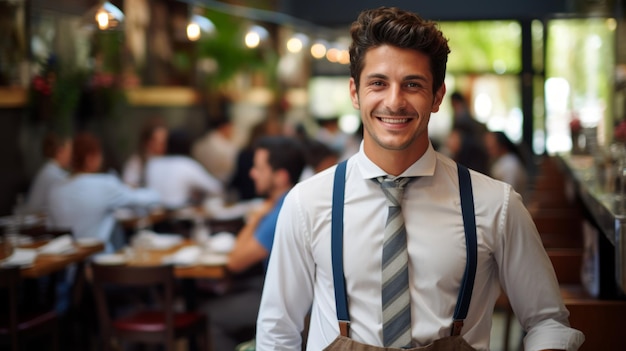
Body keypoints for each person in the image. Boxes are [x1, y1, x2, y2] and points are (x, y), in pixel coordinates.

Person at [256, 7, 584, 351]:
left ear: (437, 96)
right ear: (355, 93)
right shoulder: (307, 203)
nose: (394, 102)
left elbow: (547, 321)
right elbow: (277, 331)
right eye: (378, 83)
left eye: (412, 84)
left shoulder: (495, 204)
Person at [201, 135, 306, 351]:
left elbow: (235, 262)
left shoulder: (280, 211)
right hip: (290, 294)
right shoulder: (295, 200)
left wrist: (258, 215)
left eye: (259, 168)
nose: (251, 173)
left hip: (286, 300)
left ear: (280, 176)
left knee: (209, 314)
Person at [48, 132, 160, 253]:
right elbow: (149, 199)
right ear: (90, 158)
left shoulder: (55, 188)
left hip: (64, 264)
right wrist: (131, 188)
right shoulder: (104, 184)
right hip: (99, 261)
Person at [145, 129, 223, 209]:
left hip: (154, 215)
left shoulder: (153, 164)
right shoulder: (186, 164)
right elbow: (216, 188)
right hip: (176, 215)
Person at [25, 132, 73, 215]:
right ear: (60, 151)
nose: (72, 156)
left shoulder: (49, 170)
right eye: (70, 151)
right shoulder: (54, 174)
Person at [192, 113, 240, 184]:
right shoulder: (228, 147)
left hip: (201, 182)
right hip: (221, 184)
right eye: (231, 127)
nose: (233, 131)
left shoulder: (198, 144)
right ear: (224, 127)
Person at [122, 118, 168, 188]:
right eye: (159, 142)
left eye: (165, 142)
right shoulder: (136, 162)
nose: (164, 146)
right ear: (148, 142)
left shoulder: (167, 160)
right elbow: (129, 186)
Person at [484, 131, 529, 201]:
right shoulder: (502, 161)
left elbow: (509, 193)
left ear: (502, 145)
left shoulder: (510, 164)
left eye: (492, 146)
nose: (488, 149)